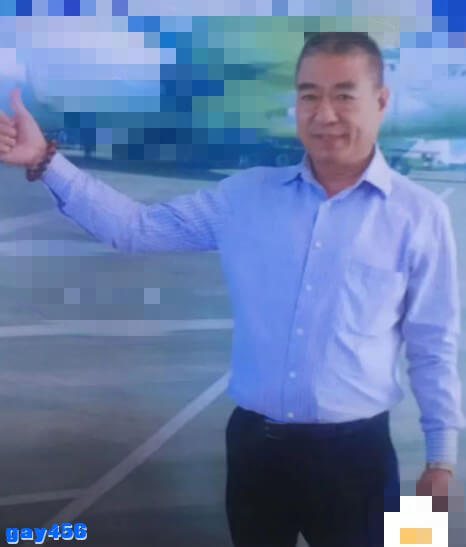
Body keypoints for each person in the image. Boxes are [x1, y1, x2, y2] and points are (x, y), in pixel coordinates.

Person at [0, 32, 464, 547]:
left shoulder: (420, 215)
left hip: (359, 459)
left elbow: (434, 346)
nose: (324, 114)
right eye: (309, 95)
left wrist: (441, 462)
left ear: (381, 100)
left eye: (344, 95)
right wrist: (46, 161)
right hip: (254, 452)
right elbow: (136, 228)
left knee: (411, 544)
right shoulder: (246, 198)